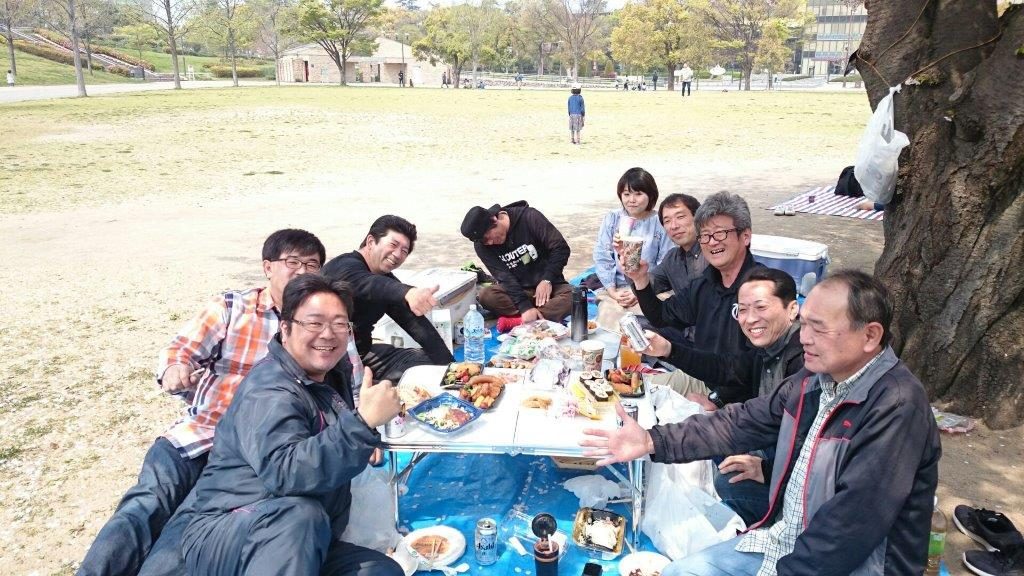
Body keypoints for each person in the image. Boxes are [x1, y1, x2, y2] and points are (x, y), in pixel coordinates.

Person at [582, 270, 942, 576]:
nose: (804, 338)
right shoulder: (814, 380)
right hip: (784, 539)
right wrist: (651, 441)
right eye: (805, 325)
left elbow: (846, 532)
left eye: (818, 328)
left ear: (870, 336)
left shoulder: (896, 406)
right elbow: (741, 421)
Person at [76, 229, 326, 576]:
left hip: (245, 456)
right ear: (268, 267)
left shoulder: (319, 323)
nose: (302, 272)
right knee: (143, 506)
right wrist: (175, 369)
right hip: (198, 433)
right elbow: (180, 350)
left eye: (311, 265)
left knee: (182, 538)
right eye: (293, 262)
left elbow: (350, 381)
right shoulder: (232, 307)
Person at [182, 274, 404, 576]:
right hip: (234, 531)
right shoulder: (269, 390)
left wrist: (363, 431)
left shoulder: (329, 373)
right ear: (285, 328)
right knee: (301, 515)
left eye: (340, 324)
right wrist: (363, 424)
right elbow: (286, 473)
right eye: (314, 323)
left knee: (383, 571)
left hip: (307, 532)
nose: (328, 334)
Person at [643, 267, 804, 525]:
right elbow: (725, 368)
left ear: (792, 309)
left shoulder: (805, 360)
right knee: (703, 446)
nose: (750, 319)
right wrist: (669, 350)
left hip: (795, 478)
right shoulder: (766, 347)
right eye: (743, 310)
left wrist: (767, 469)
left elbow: (813, 445)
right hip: (765, 440)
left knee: (728, 481)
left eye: (761, 308)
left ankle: (757, 534)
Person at [624, 191, 764, 399]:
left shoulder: (762, 289)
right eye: (705, 235)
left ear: (745, 236)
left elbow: (751, 369)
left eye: (720, 233)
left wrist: (718, 400)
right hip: (704, 377)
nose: (712, 242)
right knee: (630, 391)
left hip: (741, 399)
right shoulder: (704, 284)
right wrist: (640, 279)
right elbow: (661, 316)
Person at [322, 215, 453, 384]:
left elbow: (414, 323)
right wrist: (408, 292)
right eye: (393, 245)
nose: (397, 254)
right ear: (371, 241)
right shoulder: (344, 267)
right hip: (329, 360)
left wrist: (452, 368)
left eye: (404, 251)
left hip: (363, 353)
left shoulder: (386, 280)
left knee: (432, 363)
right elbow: (367, 283)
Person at [460, 201, 573, 331]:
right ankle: (536, 316)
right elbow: (504, 277)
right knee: (486, 296)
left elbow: (560, 248)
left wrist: (547, 279)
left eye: (487, 238)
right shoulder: (482, 246)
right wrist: (525, 306)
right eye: (484, 242)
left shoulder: (530, 217)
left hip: (550, 286)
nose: (489, 243)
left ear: (494, 220)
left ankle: (519, 321)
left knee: (575, 296)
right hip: (518, 291)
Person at [593, 167, 674, 330]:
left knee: (648, 322)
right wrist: (612, 291)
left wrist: (640, 290)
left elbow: (666, 262)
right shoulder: (613, 219)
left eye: (638, 194)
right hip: (618, 289)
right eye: (626, 194)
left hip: (652, 287)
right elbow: (603, 257)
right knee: (608, 319)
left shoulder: (660, 222)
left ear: (650, 195)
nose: (631, 200)